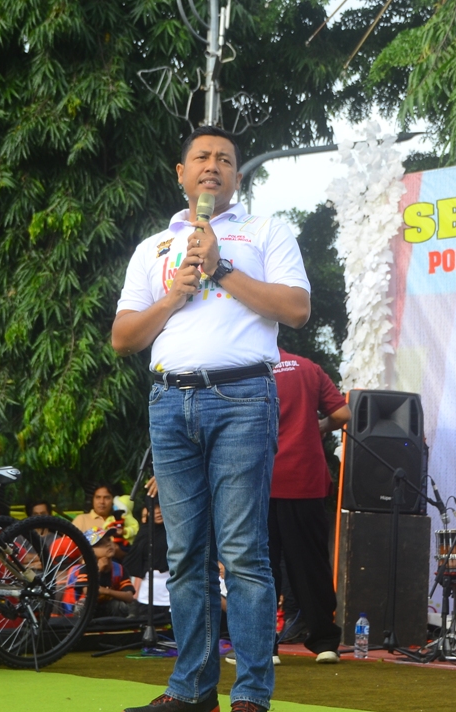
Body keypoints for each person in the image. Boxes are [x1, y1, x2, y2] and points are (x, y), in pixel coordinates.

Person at [112, 125, 311, 712]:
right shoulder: (153, 247)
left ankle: (250, 694)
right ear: (181, 173)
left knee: (243, 551)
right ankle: (192, 690)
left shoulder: (266, 231)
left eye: (224, 159)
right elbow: (123, 338)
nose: (212, 166)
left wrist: (221, 270)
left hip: (243, 398)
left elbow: (297, 309)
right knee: (185, 555)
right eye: (201, 157)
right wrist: (173, 296)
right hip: (170, 401)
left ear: (237, 177)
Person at [267, 348, 349, 665]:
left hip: (261, 479)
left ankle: (264, 647)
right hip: (305, 477)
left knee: (261, 566)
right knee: (312, 562)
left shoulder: (248, 368)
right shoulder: (308, 368)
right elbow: (342, 414)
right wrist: (318, 426)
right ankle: (325, 643)